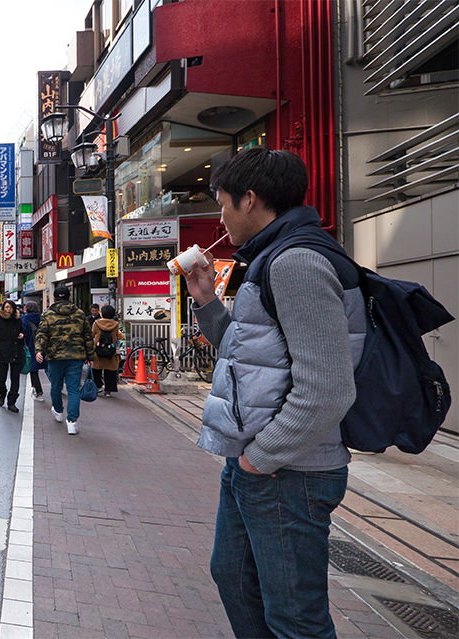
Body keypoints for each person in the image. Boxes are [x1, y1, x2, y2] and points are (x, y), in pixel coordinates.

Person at [184, 147, 360, 638]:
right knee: (235, 579)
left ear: (250, 200)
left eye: (222, 203)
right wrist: (206, 303)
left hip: (287, 471)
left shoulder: (296, 262)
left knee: (295, 619)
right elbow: (250, 357)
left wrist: (259, 460)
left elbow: (327, 389)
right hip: (262, 465)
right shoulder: (273, 258)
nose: (220, 215)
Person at [35, 286, 95, 435]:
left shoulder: (48, 315)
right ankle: (72, 423)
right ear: (69, 298)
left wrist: (39, 350)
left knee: (55, 386)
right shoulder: (80, 314)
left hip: (55, 357)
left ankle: (58, 411)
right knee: (73, 389)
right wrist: (90, 356)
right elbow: (88, 337)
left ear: (54, 299)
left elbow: (41, 334)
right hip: (76, 357)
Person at [0, 299, 25, 413]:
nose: (8, 310)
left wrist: (22, 335)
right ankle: (2, 393)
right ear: (3, 308)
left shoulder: (17, 320)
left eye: (11, 307)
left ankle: (12, 402)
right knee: (1, 378)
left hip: (16, 351)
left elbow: (23, 332)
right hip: (3, 352)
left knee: (15, 379)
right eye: (6, 307)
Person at [92, 305, 124, 397]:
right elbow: (116, 336)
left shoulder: (96, 323)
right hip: (111, 350)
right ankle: (108, 390)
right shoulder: (115, 324)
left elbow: (92, 335)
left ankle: (98, 386)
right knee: (110, 370)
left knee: (96, 369)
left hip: (98, 350)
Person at [21, 301, 45, 401]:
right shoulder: (42, 318)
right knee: (47, 369)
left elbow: (24, 333)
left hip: (31, 346)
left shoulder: (25, 319)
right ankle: (36, 389)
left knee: (33, 369)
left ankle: (38, 391)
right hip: (43, 346)